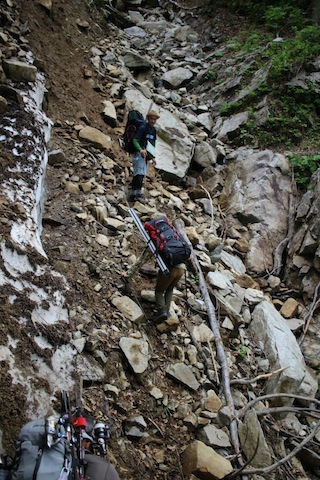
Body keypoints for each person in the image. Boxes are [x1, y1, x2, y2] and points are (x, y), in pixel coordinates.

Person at [124, 247, 186, 322]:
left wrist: (128, 274)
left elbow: (142, 259)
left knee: (159, 291)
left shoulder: (156, 242)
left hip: (169, 270)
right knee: (170, 289)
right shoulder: (173, 238)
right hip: (181, 269)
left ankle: (162, 311)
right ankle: (167, 313)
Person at [129, 110, 159, 203]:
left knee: (142, 174)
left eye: (154, 119)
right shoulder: (143, 128)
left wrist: (153, 157)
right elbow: (135, 140)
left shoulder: (153, 130)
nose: (153, 121)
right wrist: (140, 150)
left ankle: (137, 193)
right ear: (148, 119)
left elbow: (152, 144)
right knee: (139, 174)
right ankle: (134, 194)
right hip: (139, 153)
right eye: (151, 119)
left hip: (147, 155)